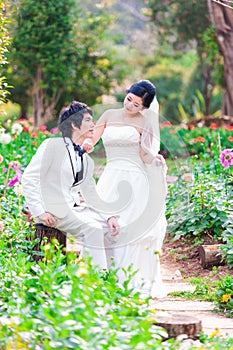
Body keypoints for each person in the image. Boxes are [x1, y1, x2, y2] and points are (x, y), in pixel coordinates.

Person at [84, 80, 167, 298]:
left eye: (136, 105)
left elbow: (143, 153)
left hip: (135, 179)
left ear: (143, 108)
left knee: (130, 228)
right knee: (101, 224)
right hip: (111, 176)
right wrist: (87, 145)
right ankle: (105, 278)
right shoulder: (110, 115)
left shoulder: (144, 122)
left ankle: (130, 280)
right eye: (129, 99)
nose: (130, 106)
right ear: (127, 94)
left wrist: (155, 159)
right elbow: (94, 137)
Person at [22, 101, 120, 269]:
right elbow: (28, 178)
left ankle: (100, 273)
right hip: (52, 210)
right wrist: (39, 211)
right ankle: (93, 280)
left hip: (73, 208)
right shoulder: (51, 146)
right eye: (88, 120)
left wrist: (109, 216)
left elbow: (90, 193)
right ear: (74, 124)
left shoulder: (84, 157)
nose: (93, 124)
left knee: (112, 228)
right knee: (93, 229)